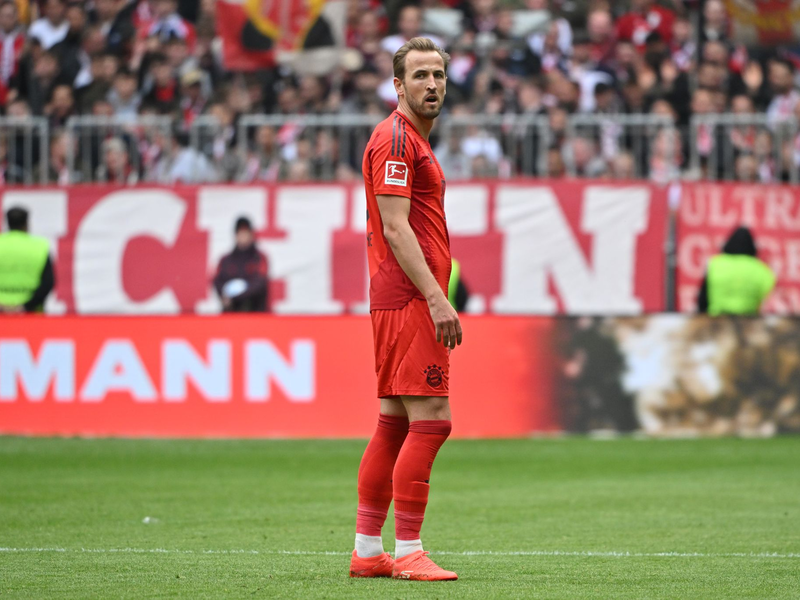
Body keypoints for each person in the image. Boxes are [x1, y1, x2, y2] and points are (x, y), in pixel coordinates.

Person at [350, 37, 461, 582]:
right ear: (398, 85)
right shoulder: (396, 139)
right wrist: (437, 297)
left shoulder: (409, 139)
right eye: (420, 75)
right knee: (432, 419)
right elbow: (395, 227)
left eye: (438, 74)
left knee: (393, 424)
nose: (431, 84)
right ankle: (410, 550)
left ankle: (368, 551)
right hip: (411, 299)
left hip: (399, 297)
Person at [697, 227, 775, 316]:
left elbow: (702, 300)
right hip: (748, 320)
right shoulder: (762, 270)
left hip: (717, 320)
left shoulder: (715, 264)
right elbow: (766, 302)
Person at [0, 207, 55, 313]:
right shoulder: (40, 246)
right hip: (31, 314)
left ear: (8, 223)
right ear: (26, 224)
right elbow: (48, 282)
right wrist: (25, 306)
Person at [212, 217, 269, 313]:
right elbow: (217, 281)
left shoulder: (259, 258)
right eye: (240, 233)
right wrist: (224, 294)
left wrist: (236, 295)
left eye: (245, 233)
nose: (243, 236)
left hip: (255, 313)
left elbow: (259, 283)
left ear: (251, 235)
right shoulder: (225, 260)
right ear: (235, 235)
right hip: (231, 312)